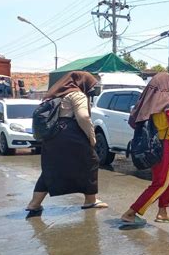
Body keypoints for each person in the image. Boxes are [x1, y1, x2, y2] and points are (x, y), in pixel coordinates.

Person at [26, 71, 108, 218]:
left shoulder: (57, 94)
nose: (92, 89)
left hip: (53, 136)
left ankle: (34, 204)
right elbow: (83, 116)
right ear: (83, 83)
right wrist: (92, 137)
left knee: (51, 168)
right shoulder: (77, 94)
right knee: (91, 162)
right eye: (91, 85)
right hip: (70, 134)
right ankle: (90, 200)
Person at [121, 72, 169, 227]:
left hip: (150, 146)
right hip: (164, 144)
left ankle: (163, 212)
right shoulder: (167, 100)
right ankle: (131, 212)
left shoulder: (146, 101)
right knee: (161, 182)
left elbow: (132, 122)